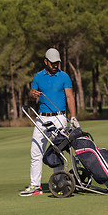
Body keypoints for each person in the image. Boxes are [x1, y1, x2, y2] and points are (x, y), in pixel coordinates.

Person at [19, 48, 80, 196]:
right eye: (52, 62)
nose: (55, 65)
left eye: (57, 62)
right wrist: (32, 94)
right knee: (35, 151)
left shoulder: (64, 76)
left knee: (57, 151)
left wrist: (73, 117)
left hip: (59, 117)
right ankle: (35, 186)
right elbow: (32, 94)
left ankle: (59, 184)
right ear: (45, 61)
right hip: (42, 118)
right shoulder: (38, 77)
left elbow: (70, 97)